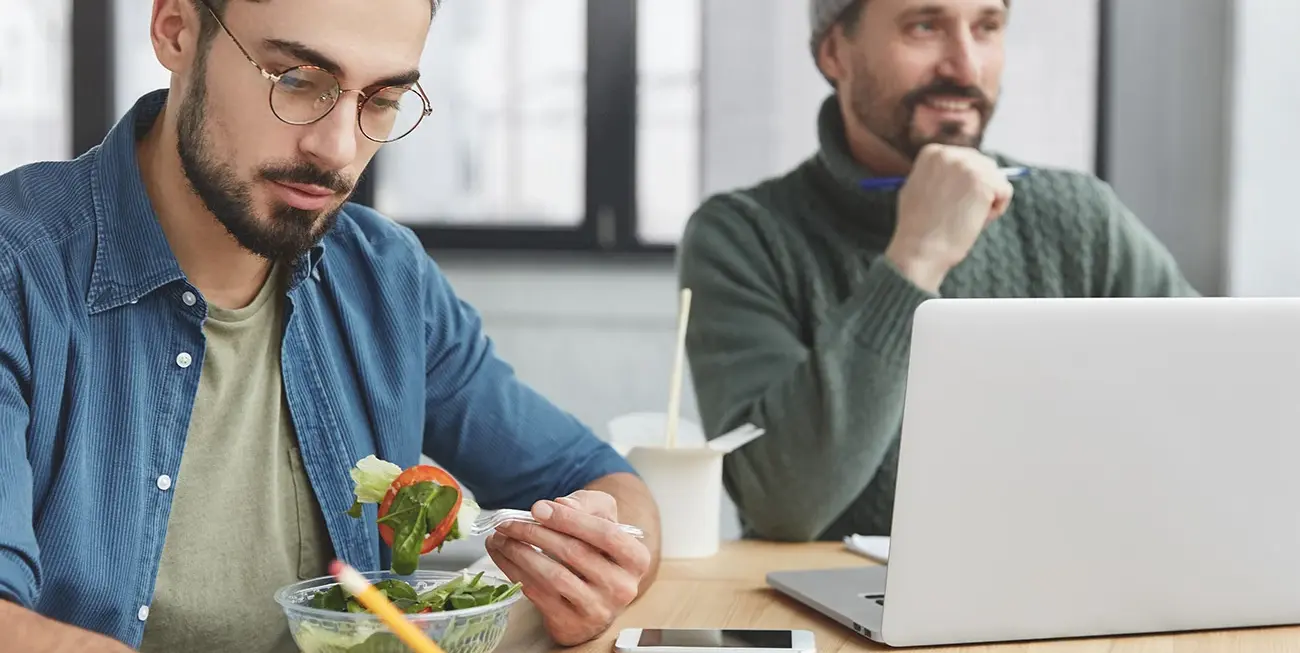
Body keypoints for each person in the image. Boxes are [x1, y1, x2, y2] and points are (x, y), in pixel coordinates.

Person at [0, 0, 661, 650]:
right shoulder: (18, 269)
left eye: (382, 100)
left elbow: (602, 480)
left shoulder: (384, 276)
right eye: (297, 80)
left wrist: (601, 567)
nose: (338, 148)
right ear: (176, 31)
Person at [676, 0, 1197, 543]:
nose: (966, 67)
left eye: (987, 27)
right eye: (924, 27)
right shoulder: (743, 236)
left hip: (1069, 581)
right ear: (835, 52)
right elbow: (785, 505)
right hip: (835, 594)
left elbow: (1209, 407)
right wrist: (915, 260)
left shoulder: (1081, 219)